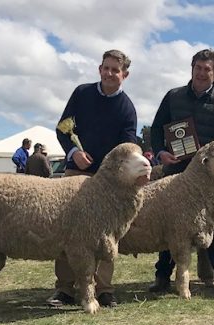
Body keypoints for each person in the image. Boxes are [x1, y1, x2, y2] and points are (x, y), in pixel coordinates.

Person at [47, 49, 137, 308]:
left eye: (115, 70)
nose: (109, 74)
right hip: (76, 174)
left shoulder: (127, 109)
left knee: (107, 236)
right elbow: (62, 129)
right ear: (99, 69)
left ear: (125, 75)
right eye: (106, 68)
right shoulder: (81, 93)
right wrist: (73, 152)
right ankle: (64, 289)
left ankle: (104, 289)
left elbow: (128, 145)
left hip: (108, 183)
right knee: (68, 229)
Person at [148, 49, 214, 294]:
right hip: (176, 169)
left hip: (210, 179)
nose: (201, 73)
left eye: (207, 69)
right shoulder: (173, 96)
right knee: (171, 223)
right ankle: (162, 276)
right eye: (198, 68)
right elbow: (156, 129)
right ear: (192, 69)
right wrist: (160, 153)